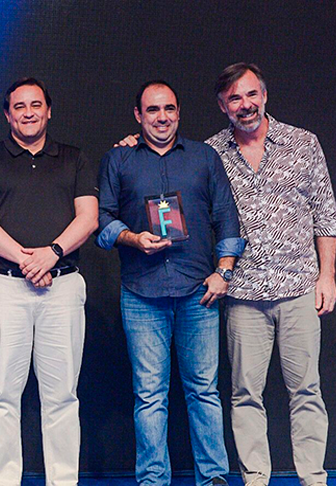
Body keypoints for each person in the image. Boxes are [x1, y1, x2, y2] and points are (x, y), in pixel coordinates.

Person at [97, 80, 243, 486]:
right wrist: (132, 238)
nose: (162, 118)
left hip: (199, 291)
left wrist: (224, 272)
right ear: (138, 115)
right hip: (141, 292)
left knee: (204, 391)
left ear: (178, 112)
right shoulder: (118, 159)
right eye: (152, 110)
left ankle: (213, 477)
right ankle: (152, 479)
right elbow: (102, 220)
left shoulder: (204, 157)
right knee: (149, 395)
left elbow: (227, 218)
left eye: (169, 109)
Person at [0, 77, 98, 486]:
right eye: (19, 106)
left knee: (62, 396)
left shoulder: (73, 158)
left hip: (62, 285)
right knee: (3, 395)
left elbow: (89, 218)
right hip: (4, 286)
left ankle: (63, 481)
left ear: (48, 111)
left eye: (36, 105)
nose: (28, 113)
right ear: (7, 115)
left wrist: (51, 253)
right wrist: (27, 259)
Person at [206, 63, 336, 486]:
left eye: (251, 95)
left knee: (307, 391)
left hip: (299, 287)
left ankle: (313, 478)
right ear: (223, 106)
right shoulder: (211, 154)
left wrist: (327, 276)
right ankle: (256, 478)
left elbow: (326, 214)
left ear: (264, 96)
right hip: (243, 294)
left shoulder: (302, 143)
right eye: (235, 98)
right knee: (245, 394)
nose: (245, 105)